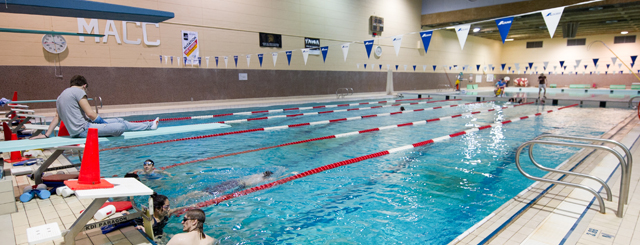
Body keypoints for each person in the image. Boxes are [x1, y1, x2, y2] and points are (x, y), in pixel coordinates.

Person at [31, 75, 159, 139]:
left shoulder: (60, 96)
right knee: (120, 126)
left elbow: (56, 118)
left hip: (79, 130)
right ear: (84, 86)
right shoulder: (79, 92)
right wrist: (104, 124)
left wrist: (46, 135)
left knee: (120, 120)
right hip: (84, 130)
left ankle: (149, 125)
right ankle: (149, 126)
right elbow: (90, 114)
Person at [175, 171, 274, 205]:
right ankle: (183, 197)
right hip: (237, 185)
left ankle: (182, 197)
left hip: (233, 181)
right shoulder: (262, 180)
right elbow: (272, 180)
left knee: (206, 191)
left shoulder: (256, 175)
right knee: (208, 193)